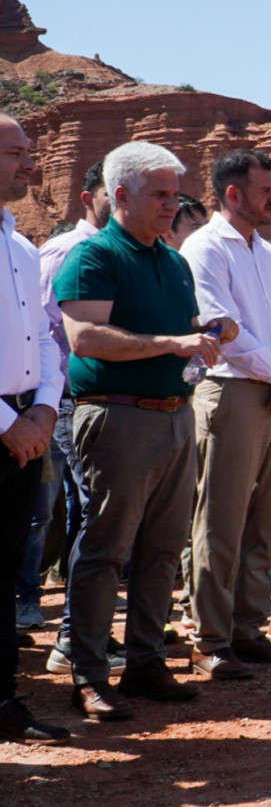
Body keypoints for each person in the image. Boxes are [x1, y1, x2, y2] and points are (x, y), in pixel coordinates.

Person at [54, 141, 238, 720]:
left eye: (174, 193)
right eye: (160, 194)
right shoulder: (93, 256)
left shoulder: (172, 261)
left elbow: (174, 330)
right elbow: (84, 338)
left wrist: (206, 331)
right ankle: (88, 674)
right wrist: (173, 343)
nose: (171, 204)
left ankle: (144, 662)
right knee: (106, 549)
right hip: (117, 416)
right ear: (122, 195)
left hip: (174, 414)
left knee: (161, 550)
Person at [179, 149, 271, 679]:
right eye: (266, 190)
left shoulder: (269, 253)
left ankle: (247, 626)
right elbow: (224, 328)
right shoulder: (204, 248)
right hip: (233, 393)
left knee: (266, 521)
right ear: (232, 194)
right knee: (220, 520)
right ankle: (210, 639)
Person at [0, 113, 71, 744]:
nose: (30, 164)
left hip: (27, 420)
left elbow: (46, 338)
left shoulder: (22, 248)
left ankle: (4, 701)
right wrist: (9, 422)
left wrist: (44, 408)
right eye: (17, 153)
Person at [21, 160, 110, 637]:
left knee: (100, 512)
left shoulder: (124, 252)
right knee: (88, 510)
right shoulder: (63, 249)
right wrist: (45, 403)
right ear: (87, 198)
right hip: (65, 402)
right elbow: (36, 331)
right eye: (110, 194)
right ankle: (74, 631)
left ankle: (88, 628)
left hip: (103, 400)